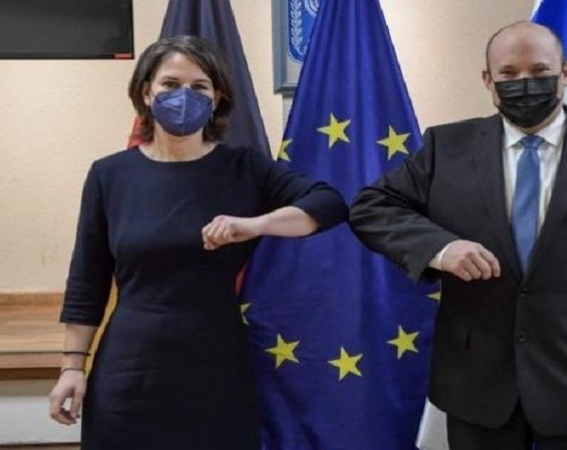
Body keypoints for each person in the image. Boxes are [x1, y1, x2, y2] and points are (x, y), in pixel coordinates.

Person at [349, 22, 567, 450]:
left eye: (539, 70)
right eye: (508, 73)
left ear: (566, 72)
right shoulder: (445, 147)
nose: (524, 83)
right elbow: (370, 207)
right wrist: (440, 248)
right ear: (487, 80)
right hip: (478, 385)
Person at [47, 35, 348, 449]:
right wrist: (71, 367)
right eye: (170, 84)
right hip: (129, 366)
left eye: (199, 86)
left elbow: (329, 204)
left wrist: (256, 224)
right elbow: (87, 279)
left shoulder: (245, 168)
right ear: (147, 92)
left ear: (217, 97)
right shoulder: (110, 174)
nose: (183, 95)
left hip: (215, 363)